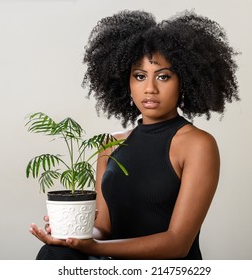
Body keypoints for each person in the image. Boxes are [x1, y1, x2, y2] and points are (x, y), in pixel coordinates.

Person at [29, 9, 239, 260]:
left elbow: (177, 244)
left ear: (184, 81)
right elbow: (103, 228)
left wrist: (94, 248)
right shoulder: (110, 146)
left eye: (163, 76)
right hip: (113, 265)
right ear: (125, 82)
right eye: (139, 76)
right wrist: (73, 235)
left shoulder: (197, 145)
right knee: (55, 252)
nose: (150, 88)